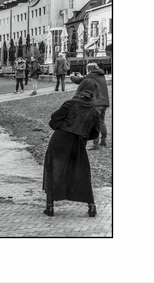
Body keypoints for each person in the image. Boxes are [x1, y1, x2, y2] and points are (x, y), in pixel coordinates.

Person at [42, 78, 101, 217]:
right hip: (79, 143)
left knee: (53, 170)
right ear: (94, 92)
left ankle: (49, 207)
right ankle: (91, 206)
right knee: (82, 173)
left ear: (80, 89)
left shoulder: (70, 104)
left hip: (60, 140)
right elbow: (94, 133)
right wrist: (81, 133)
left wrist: (65, 127)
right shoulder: (94, 112)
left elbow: (54, 120)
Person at [69, 62, 110, 150]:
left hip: (97, 102)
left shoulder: (92, 75)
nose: (87, 71)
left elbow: (78, 81)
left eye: (88, 69)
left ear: (90, 69)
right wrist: (83, 76)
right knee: (102, 121)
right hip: (104, 102)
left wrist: (71, 76)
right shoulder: (101, 74)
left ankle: (95, 144)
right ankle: (103, 141)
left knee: (96, 123)